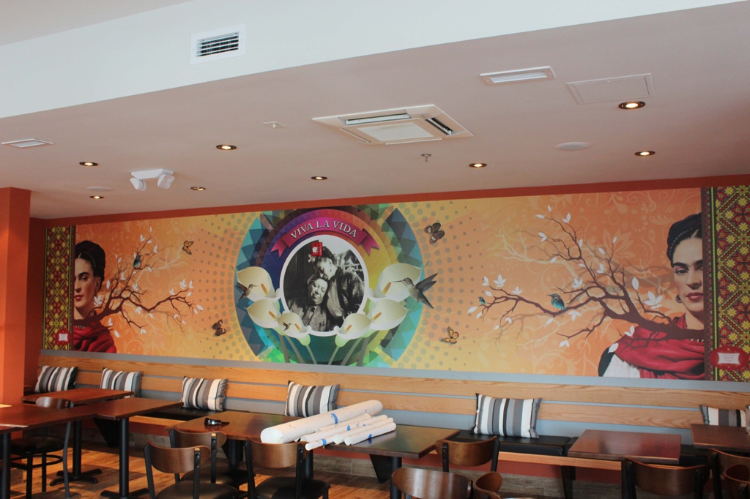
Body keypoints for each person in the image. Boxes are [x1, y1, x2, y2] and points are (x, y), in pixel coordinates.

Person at [600, 213, 704, 379]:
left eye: (704, 268)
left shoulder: (737, 350)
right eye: (681, 271)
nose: (692, 281)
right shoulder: (636, 349)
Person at [72, 240, 116, 353]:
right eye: (72, 279)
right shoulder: (57, 333)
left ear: (96, 283)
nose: (76, 287)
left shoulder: (103, 341)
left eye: (84, 278)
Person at [313, 247, 365, 328]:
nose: (320, 275)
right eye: (317, 272)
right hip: (333, 326)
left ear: (330, 263)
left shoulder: (350, 278)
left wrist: (344, 322)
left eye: (321, 270)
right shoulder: (325, 282)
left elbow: (360, 306)